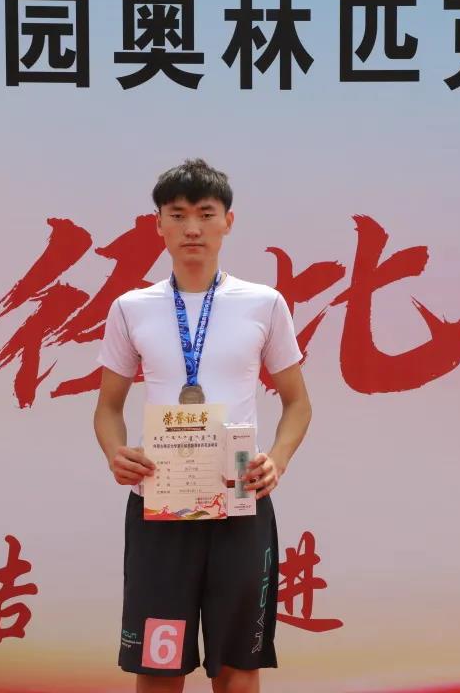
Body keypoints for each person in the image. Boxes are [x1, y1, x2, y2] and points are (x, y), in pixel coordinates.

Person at [94, 159, 311, 693]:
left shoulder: (264, 303)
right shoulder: (131, 308)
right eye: (178, 215)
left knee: (237, 668)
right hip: (160, 504)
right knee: (158, 665)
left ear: (227, 222)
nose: (192, 228)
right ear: (159, 225)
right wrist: (116, 452)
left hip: (239, 500)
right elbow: (107, 408)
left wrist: (277, 460)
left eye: (206, 214)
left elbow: (298, 403)